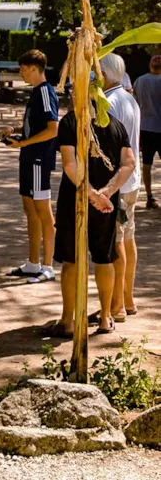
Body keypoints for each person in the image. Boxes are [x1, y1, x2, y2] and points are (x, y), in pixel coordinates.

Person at [46, 103, 136, 338]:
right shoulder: (114, 123)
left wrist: (94, 194)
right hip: (105, 204)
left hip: (75, 199)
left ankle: (68, 320)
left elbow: (69, 163)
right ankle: (105, 318)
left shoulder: (71, 121)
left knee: (71, 259)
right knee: (104, 258)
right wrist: (106, 192)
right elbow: (129, 163)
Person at [0, 49, 59, 283]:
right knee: (30, 211)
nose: (21, 73)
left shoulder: (46, 91)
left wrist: (23, 142)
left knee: (43, 213)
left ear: (35, 68)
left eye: (23, 69)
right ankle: (33, 263)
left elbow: (53, 129)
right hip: (28, 158)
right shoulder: (36, 92)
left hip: (38, 160)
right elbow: (37, 125)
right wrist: (15, 131)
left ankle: (48, 266)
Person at [101, 54, 141, 321]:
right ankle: (127, 299)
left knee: (117, 243)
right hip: (131, 182)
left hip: (118, 183)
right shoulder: (129, 98)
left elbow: (109, 148)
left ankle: (116, 306)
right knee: (127, 238)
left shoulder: (111, 102)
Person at [133, 54, 161, 209]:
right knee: (146, 164)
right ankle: (150, 197)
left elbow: (135, 102)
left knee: (146, 164)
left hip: (145, 128)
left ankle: (150, 197)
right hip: (155, 128)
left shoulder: (139, 81)